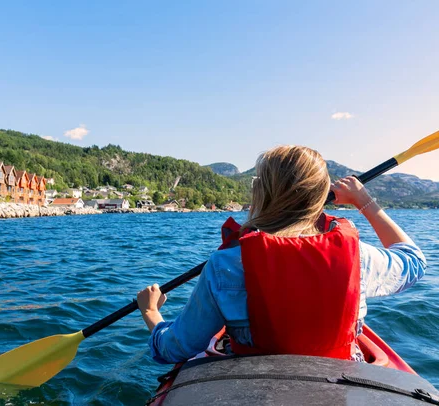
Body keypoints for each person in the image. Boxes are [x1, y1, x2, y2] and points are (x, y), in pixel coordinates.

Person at [137, 145, 427, 364]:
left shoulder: (225, 265)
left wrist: (151, 312)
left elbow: (174, 349)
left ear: (260, 193)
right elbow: (414, 262)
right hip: (339, 383)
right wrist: (363, 200)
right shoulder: (358, 258)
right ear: (320, 197)